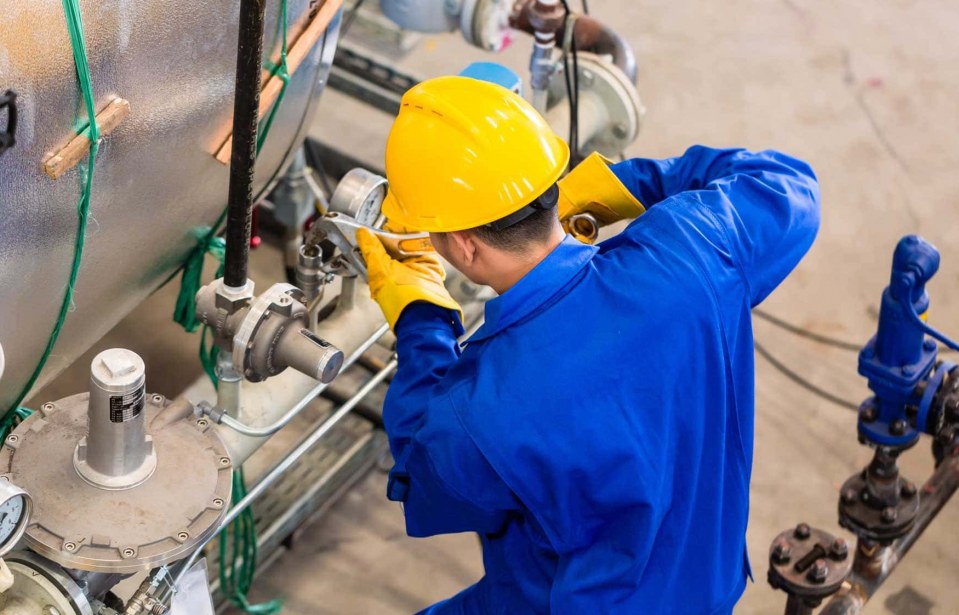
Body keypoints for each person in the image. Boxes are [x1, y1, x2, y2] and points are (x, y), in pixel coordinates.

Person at [356, 75, 820, 614]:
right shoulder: (694, 249)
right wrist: (623, 187)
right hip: (704, 584)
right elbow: (785, 181)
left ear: (461, 244)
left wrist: (421, 316)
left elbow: (422, 471)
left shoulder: (481, 410)